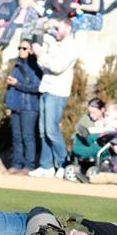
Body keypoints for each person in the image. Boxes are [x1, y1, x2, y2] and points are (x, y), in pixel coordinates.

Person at [29, 19, 78, 178]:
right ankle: (46, 165)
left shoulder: (71, 46)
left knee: (51, 130)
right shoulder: (55, 43)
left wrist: (41, 55)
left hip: (58, 91)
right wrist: (42, 26)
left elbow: (57, 67)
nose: (55, 31)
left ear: (68, 28)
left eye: (58, 28)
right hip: (46, 87)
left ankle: (63, 162)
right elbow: (44, 65)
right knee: (43, 131)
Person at [4, 39, 42, 175]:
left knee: (28, 136)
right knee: (16, 137)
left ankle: (29, 165)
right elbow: (11, 88)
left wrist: (17, 84)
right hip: (16, 105)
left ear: (31, 50)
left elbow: (36, 87)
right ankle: (17, 164)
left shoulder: (35, 66)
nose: (21, 51)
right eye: (19, 48)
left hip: (29, 106)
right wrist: (9, 104)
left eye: (24, 48)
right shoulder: (16, 64)